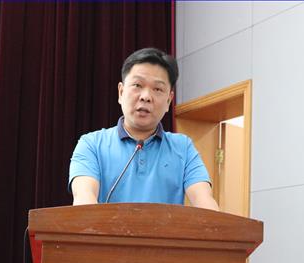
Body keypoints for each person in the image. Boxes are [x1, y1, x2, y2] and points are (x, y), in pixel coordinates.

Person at [69, 47, 219, 211]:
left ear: (169, 101)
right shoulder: (91, 144)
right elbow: (84, 199)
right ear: (121, 92)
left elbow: (204, 200)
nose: (146, 96)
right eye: (137, 85)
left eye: (157, 89)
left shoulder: (184, 147)